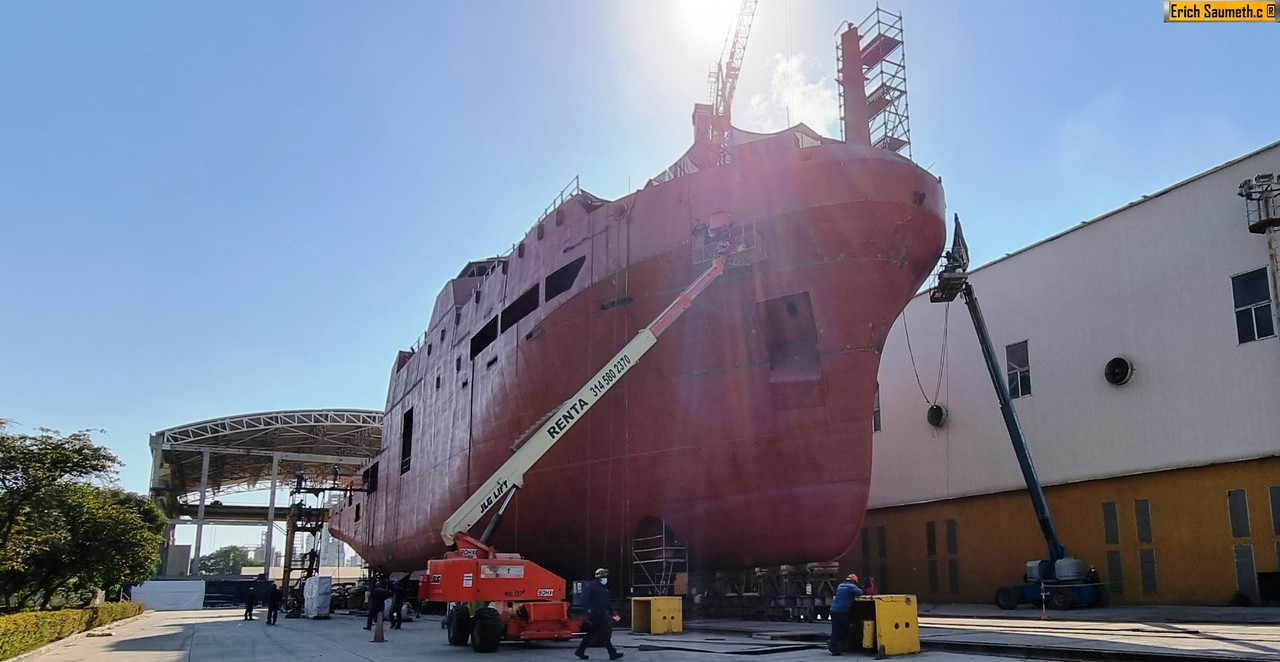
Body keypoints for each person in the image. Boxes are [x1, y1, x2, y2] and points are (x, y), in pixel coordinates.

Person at [574, 568, 623, 661]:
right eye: (604, 576)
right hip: (596, 613)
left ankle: (580, 651)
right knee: (605, 632)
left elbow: (605, 602)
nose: (605, 578)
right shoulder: (592, 586)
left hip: (600, 612)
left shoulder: (603, 587)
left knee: (591, 633)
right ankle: (612, 653)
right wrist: (585, 612)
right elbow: (586, 600)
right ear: (599, 577)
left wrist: (612, 612)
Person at [827, 573, 864, 656]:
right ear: (854, 581)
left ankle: (833, 645)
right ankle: (832, 643)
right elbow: (860, 592)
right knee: (846, 628)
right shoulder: (852, 587)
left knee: (835, 629)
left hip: (833, 610)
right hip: (842, 611)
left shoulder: (840, 585)